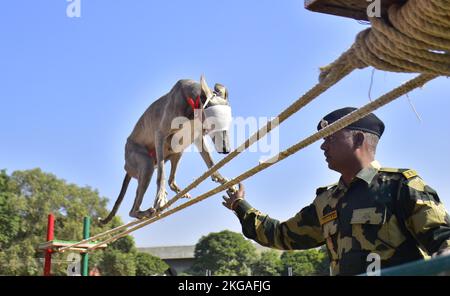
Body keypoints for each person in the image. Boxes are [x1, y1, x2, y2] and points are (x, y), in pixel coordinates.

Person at [223, 107, 450, 275]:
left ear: (358, 139)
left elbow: (444, 241)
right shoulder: (327, 201)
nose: (322, 146)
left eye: (330, 138)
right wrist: (240, 206)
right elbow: (281, 235)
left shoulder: (400, 186)